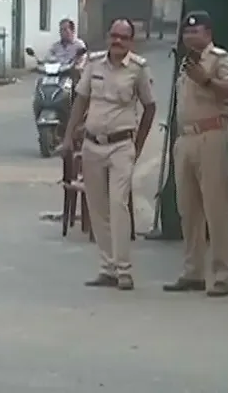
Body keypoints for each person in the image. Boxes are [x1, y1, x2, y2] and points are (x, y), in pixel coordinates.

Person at [60, 18, 157, 290]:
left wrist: (137, 145)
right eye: (113, 36)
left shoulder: (138, 69)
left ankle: (124, 270)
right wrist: (68, 138)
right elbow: (81, 102)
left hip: (121, 146)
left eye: (123, 37)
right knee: (98, 207)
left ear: (131, 41)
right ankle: (108, 267)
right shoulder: (94, 64)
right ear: (107, 37)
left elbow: (149, 108)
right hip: (92, 145)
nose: (117, 41)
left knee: (118, 205)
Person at [162, 11, 228, 297]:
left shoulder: (218, 59)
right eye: (187, 32)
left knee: (217, 207)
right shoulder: (185, 65)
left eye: (197, 32)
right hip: (186, 138)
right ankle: (192, 271)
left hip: (213, 134)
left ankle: (224, 275)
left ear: (208, 34)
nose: (191, 37)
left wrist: (207, 80)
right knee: (188, 210)